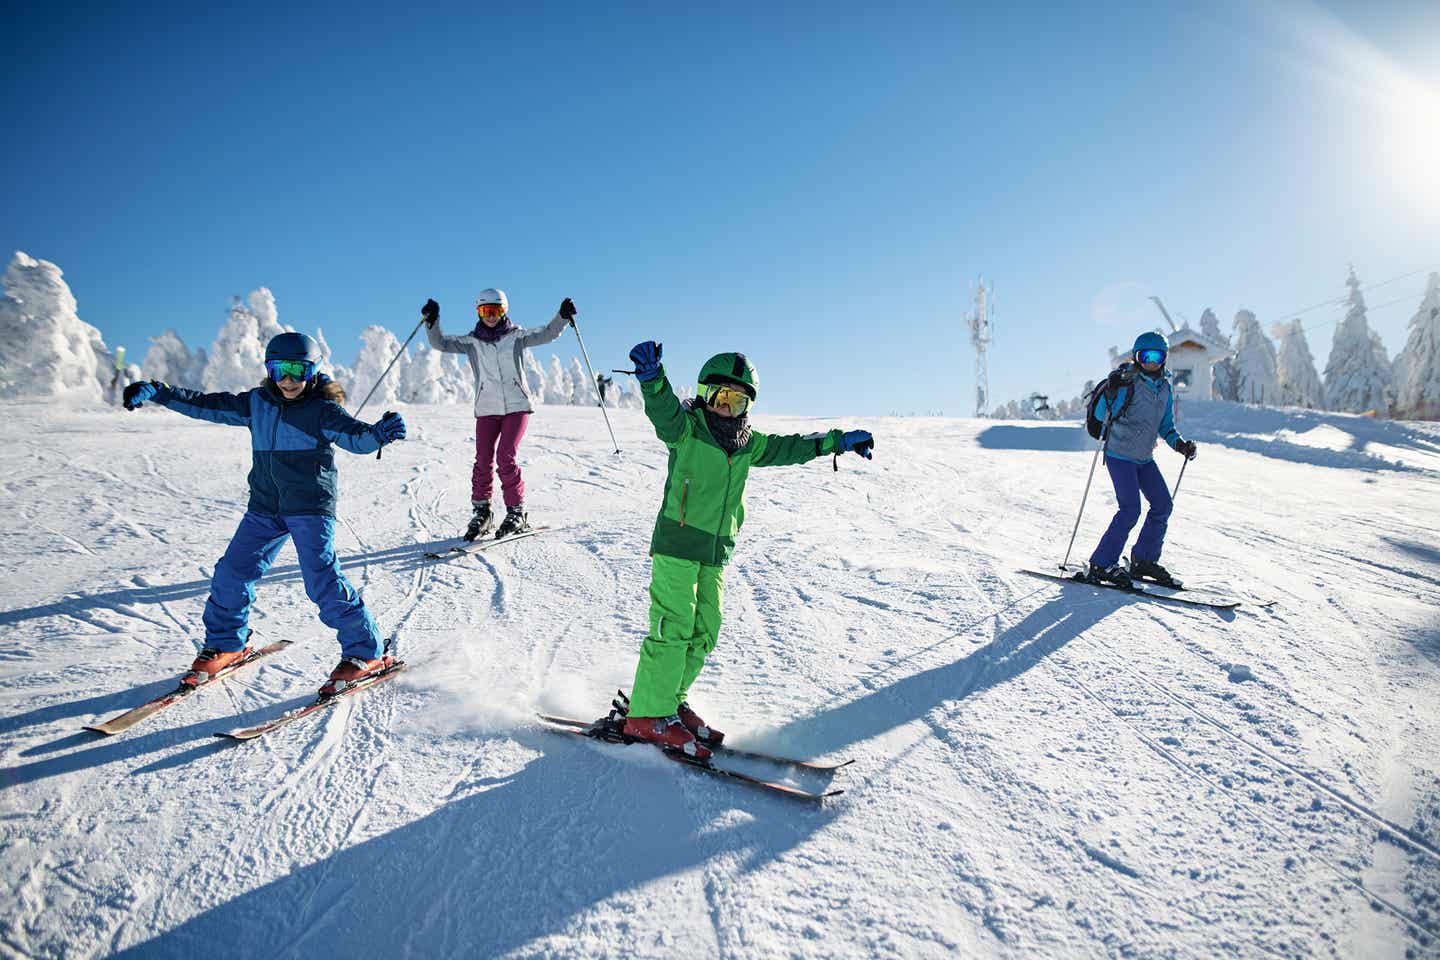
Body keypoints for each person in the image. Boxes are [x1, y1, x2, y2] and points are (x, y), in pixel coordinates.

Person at [621, 341, 875, 758]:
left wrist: (838, 441)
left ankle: (670, 700)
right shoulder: (685, 430)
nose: (726, 408)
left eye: (736, 401)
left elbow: (794, 446)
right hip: (678, 544)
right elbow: (664, 412)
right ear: (704, 395)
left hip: (716, 550)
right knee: (674, 625)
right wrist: (653, 380)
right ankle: (647, 715)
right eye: (719, 397)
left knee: (706, 630)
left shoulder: (748, 444)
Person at [121, 332, 408, 697]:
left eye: (297, 371)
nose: (288, 381)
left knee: (320, 580)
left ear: (314, 371)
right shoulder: (257, 403)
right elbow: (204, 403)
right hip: (265, 508)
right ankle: (227, 644)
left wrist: (380, 434)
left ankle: (366, 652)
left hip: (309, 508)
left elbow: (357, 439)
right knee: (232, 573)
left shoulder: (322, 410)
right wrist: (158, 391)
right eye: (279, 371)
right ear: (268, 371)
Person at [421, 291, 574, 540]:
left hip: (517, 406)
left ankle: (516, 511)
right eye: (485, 312)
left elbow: (547, 334)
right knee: (482, 459)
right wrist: (432, 321)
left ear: (504, 310)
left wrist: (562, 317)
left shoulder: (516, 337)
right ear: (478, 313)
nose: (490, 317)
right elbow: (440, 343)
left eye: (495, 311)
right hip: (486, 409)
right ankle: (483, 512)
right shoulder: (472, 343)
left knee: (505, 456)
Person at [1086, 331, 1198, 588]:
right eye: (1144, 356)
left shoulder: (1165, 389)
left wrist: (1179, 444)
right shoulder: (1127, 382)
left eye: (1156, 356)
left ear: (1164, 358)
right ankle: (1102, 563)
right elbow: (1103, 413)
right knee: (1130, 510)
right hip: (1119, 455)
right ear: (1136, 358)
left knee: (1162, 505)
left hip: (1144, 458)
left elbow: (1167, 426)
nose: (1150, 362)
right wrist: (1110, 390)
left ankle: (1143, 560)